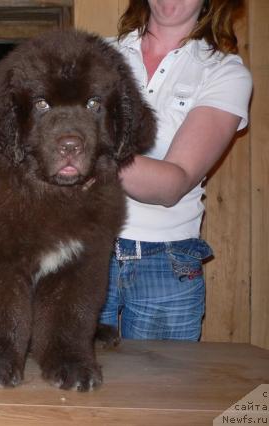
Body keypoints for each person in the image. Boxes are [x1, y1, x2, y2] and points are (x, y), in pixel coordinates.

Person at [99, 0, 252, 341]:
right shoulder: (95, 55)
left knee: (161, 393)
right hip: (85, 248)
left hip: (167, 264)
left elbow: (173, 183)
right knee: (71, 390)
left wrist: (83, 152)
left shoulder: (224, 72)